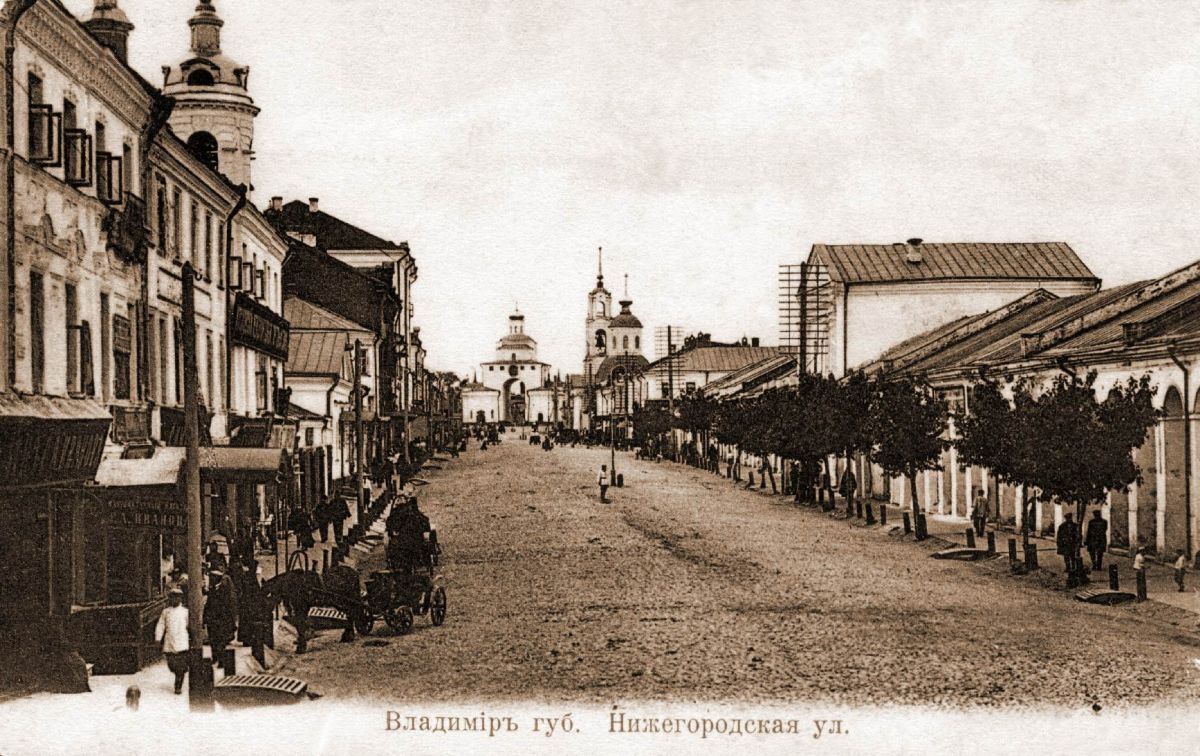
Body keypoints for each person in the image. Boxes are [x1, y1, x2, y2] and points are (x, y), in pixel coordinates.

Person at [155, 588, 190, 694]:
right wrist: (158, 638)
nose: (175, 599)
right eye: (172, 597)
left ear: (180, 599)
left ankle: (178, 686)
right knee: (172, 665)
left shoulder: (185, 612)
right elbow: (160, 625)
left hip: (182, 642)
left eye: (177, 597)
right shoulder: (166, 612)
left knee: (181, 667)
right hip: (170, 642)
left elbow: (190, 626)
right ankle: (178, 675)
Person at [1056, 513, 1081, 581]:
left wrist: (1078, 542)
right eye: (1067, 518)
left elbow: (1078, 535)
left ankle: (1073, 567)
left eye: (1070, 518)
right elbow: (1059, 536)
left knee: (1073, 556)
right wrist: (1059, 543)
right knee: (1066, 556)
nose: (1069, 519)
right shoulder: (1062, 526)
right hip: (1065, 544)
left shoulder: (1075, 526)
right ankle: (1068, 567)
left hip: (1073, 544)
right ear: (1066, 519)